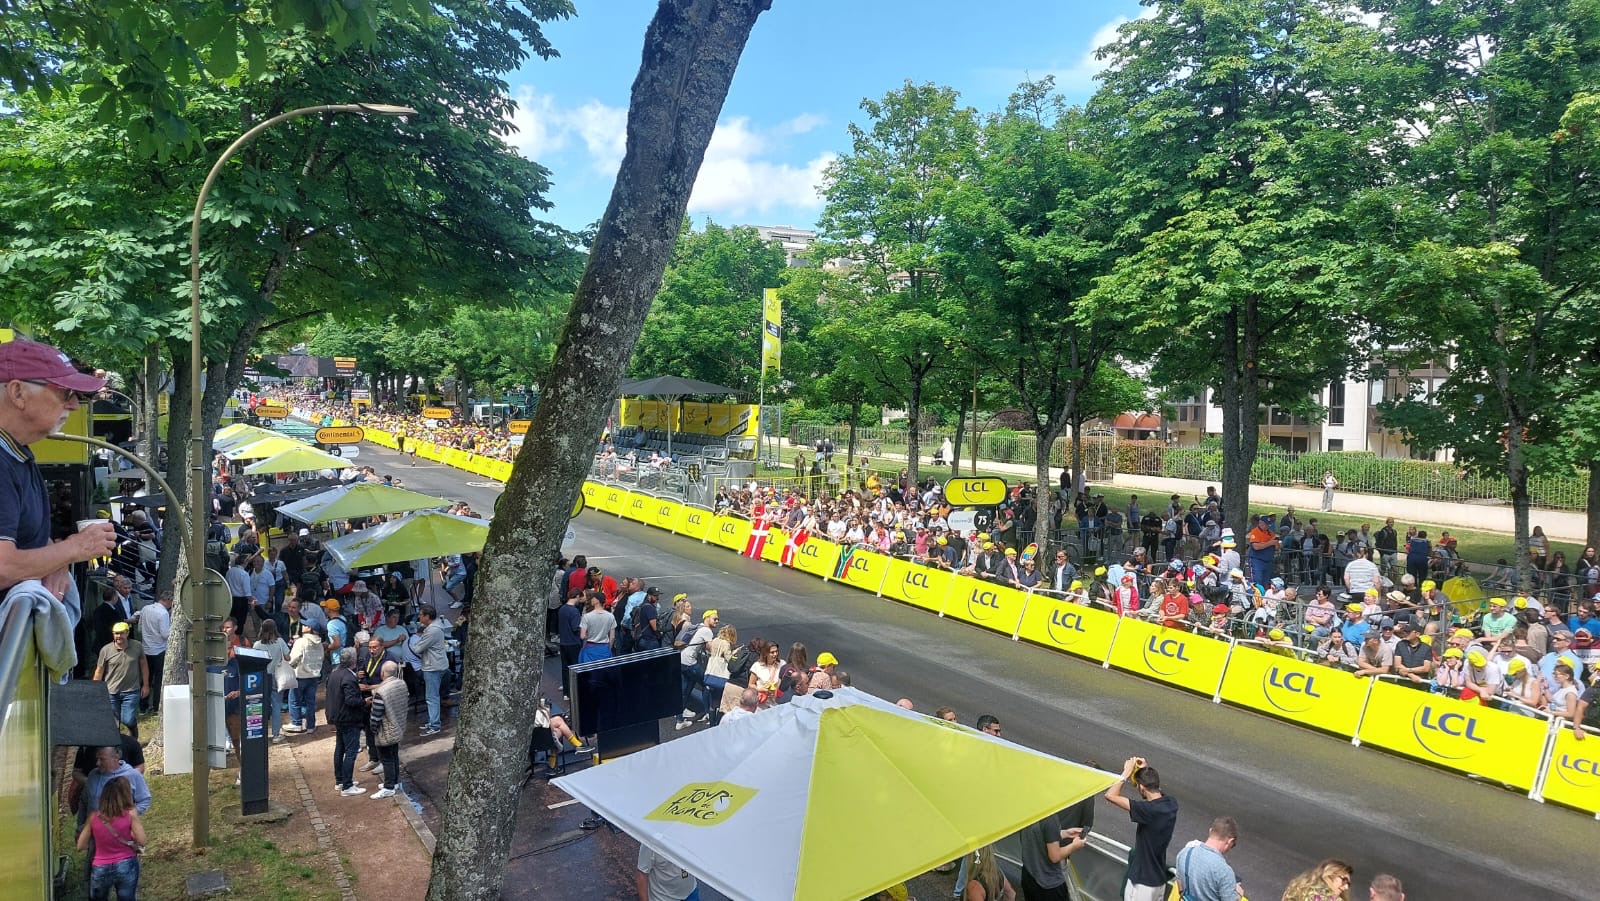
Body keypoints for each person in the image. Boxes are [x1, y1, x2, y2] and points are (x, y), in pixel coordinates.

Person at [0, 339, 118, 599]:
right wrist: (75, 548)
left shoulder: (17, 453)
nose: (75, 404)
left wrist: (56, 559)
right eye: (65, 392)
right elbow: (2, 567)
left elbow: (29, 539)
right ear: (18, 393)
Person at [1104, 756, 1177, 901]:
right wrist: (1144, 770)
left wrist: (1126, 772)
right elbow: (1155, 790)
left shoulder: (1148, 810)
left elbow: (1110, 795)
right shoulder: (1171, 804)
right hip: (1158, 881)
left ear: (1142, 787)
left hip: (1142, 883)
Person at [76, 775, 145, 901]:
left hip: (100, 866)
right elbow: (142, 841)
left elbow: (81, 845)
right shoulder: (130, 814)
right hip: (127, 863)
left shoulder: (94, 817)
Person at [93, 622, 148, 738]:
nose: (118, 636)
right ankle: (116, 745)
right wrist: (95, 690)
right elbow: (99, 671)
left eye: (121, 633)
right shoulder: (106, 650)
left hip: (131, 690)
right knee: (113, 723)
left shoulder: (137, 646)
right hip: (111, 692)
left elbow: (143, 664)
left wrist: (146, 685)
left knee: (127, 719)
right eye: (116, 634)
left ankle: (133, 731)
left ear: (127, 633)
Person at [326, 647, 367, 796]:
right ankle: (347, 786)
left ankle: (340, 780)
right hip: (348, 718)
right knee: (350, 751)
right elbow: (351, 700)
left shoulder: (335, 673)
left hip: (337, 717)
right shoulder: (349, 677)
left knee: (340, 749)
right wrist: (364, 701)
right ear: (354, 661)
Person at [368, 660, 409, 800]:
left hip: (386, 729)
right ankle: (395, 781)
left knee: (386, 759)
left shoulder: (381, 692)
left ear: (382, 673)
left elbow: (376, 716)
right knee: (394, 756)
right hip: (399, 725)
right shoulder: (402, 684)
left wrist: (372, 729)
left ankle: (389, 787)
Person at [1173, 817, 1242, 901]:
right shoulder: (1224, 871)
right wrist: (1238, 894)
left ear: (1210, 831)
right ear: (1230, 841)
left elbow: (1180, 886)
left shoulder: (1185, 853)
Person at [1017, 809, 1077, 901]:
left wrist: (1065, 833)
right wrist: (1074, 846)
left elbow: (1037, 835)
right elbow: (1055, 856)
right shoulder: (1050, 818)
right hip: (1049, 884)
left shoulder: (1027, 811)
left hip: (1029, 876)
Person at [414, 604, 450, 736]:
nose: (419, 616)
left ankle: (434, 725)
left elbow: (417, 649)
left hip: (432, 667)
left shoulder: (432, 631)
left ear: (427, 617)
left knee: (432, 697)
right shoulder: (434, 628)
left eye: (421, 615)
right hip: (436, 665)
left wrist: (417, 643)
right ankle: (432, 720)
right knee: (433, 696)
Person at [252, 620, 291, 743]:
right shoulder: (280, 642)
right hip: (277, 676)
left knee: (261, 706)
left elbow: (254, 660)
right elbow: (287, 657)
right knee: (276, 705)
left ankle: (261, 734)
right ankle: (276, 734)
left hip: (262, 676)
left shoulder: (257, 644)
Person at [284, 622, 325, 734]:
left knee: (294, 700)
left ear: (309, 628)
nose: (302, 626)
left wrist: (289, 667)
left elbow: (294, 658)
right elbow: (322, 658)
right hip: (314, 676)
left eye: (305, 625)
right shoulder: (320, 643)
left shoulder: (301, 641)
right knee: (310, 701)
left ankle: (296, 723)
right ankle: (311, 725)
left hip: (300, 675)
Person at [138, 589, 172, 714]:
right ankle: (157, 705)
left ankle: (143, 704)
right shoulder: (163, 614)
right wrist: (172, 629)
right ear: (168, 601)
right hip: (159, 650)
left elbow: (140, 628)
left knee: (146, 678)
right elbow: (164, 634)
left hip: (146, 648)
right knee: (158, 680)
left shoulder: (146, 608)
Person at [635, 842, 700, 901]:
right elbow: (641, 874)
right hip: (663, 898)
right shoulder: (651, 843)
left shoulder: (687, 834)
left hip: (691, 893)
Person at [1282, 859, 1354, 901]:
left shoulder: (1301, 889)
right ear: (1330, 874)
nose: (1346, 887)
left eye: (1348, 884)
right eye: (1344, 880)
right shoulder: (1320, 895)